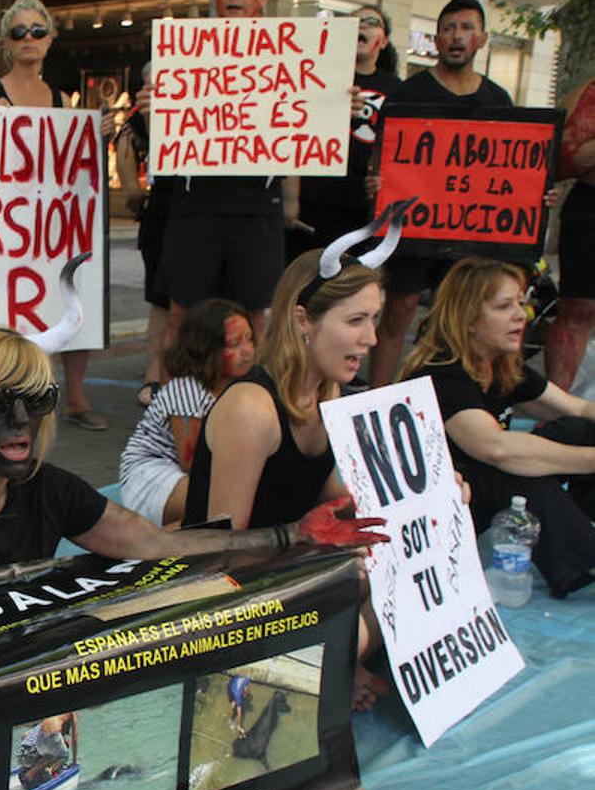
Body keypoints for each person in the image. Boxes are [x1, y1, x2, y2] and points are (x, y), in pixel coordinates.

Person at [0, 251, 387, 790]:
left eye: (37, 400)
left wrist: (292, 536)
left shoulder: (46, 486)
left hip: (2, 708)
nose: (20, 421)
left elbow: (152, 543)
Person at [184, 206, 413, 708]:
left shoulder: (330, 390)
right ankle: (327, 672)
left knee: (407, 567)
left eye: (373, 320)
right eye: (355, 321)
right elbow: (220, 554)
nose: (372, 340)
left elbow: (343, 496)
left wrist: (428, 496)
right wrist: (318, 557)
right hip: (228, 594)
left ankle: (330, 667)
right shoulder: (252, 408)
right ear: (303, 319)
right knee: (364, 587)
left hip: (291, 575)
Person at [401, 256, 595, 597]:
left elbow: (577, 407)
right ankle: (584, 560)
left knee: (582, 428)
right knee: (517, 473)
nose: (521, 315)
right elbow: (496, 448)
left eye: (520, 304)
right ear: (470, 319)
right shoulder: (442, 372)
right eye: (505, 306)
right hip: (441, 507)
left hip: (483, 480)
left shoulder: (499, 364)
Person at [367, 0, 515, 388]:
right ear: (435, 38)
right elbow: (383, 155)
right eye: (449, 28)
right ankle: (377, 398)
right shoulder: (407, 93)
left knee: (464, 320)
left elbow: (513, 168)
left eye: (466, 28)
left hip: (469, 230)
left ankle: (453, 401)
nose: (456, 36)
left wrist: (534, 199)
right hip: (412, 226)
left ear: (482, 39)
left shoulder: (498, 101)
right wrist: (377, 186)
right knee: (399, 310)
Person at [0, 0, 105, 432]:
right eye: (19, 32)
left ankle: (76, 394)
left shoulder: (62, 99)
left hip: (55, 220)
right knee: (14, 305)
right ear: (6, 43)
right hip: (9, 221)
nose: (28, 39)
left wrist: (93, 135)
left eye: (37, 31)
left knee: (70, 298)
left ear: (49, 40)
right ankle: (17, 386)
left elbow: (72, 161)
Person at [155, 0, 285, 349]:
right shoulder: (185, 50)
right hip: (196, 204)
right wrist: (154, 105)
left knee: (255, 317)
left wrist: (336, 105)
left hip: (256, 207)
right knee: (181, 314)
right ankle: (174, 402)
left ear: (261, 0)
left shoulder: (287, 53)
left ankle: (252, 397)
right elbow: (158, 129)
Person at [120, 300, 254, 526]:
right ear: (206, 349)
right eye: (234, 343)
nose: (248, 351)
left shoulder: (243, 383)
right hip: (151, 475)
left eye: (250, 339)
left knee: (234, 503)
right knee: (219, 507)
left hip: (195, 475)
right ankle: (145, 549)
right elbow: (191, 462)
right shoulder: (188, 390)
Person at [283, 5, 400, 262]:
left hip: (365, 206)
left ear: (384, 40)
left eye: (371, 22)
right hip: (316, 198)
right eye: (355, 21)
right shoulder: (317, 76)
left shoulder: (397, 89)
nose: (362, 26)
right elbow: (292, 129)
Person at [114, 63, 173, 408]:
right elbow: (126, 155)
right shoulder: (141, 117)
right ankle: (155, 373)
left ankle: (159, 374)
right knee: (162, 297)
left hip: (187, 210)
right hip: (164, 210)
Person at [546, 76, 595, 390]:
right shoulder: (589, 90)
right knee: (578, 310)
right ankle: (558, 413)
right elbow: (565, 155)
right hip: (590, 206)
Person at [16, 713, 78, 790]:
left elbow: (24, 736)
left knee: (48, 754)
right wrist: (74, 762)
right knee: (63, 755)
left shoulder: (42, 725)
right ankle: (35, 774)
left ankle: (33, 773)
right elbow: (74, 739)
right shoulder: (72, 713)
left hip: (21, 758)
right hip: (31, 758)